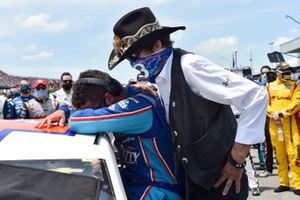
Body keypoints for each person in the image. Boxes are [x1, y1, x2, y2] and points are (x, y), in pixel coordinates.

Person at [107, 7, 268, 200]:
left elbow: (255, 96)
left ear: (157, 45)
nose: (133, 64)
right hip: (196, 180)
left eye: (134, 56)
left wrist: (237, 160)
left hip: (221, 182)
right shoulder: (161, 78)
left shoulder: (189, 66)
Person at [37, 69, 183, 200]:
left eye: (95, 110)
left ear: (109, 97)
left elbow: (77, 121)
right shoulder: (127, 103)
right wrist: (64, 110)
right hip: (134, 183)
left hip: (158, 191)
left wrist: (71, 113)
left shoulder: (141, 106)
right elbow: (76, 111)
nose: (96, 114)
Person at [266, 62, 300, 196]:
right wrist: (273, 114)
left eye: (289, 71)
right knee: (279, 155)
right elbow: (264, 103)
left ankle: (297, 184)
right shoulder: (269, 86)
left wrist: (282, 113)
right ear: (277, 72)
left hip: (290, 124)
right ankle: (284, 183)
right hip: (274, 124)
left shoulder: (295, 85)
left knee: (294, 154)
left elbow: (297, 101)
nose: (288, 73)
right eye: (285, 71)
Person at [259, 65, 275, 178]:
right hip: (267, 119)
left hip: (282, 118)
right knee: (267, 145)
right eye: (263, 74)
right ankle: (268, 168)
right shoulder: (262, 87)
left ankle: (290, 169)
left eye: (267, 73)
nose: (266, 76)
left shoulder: (283, 86)